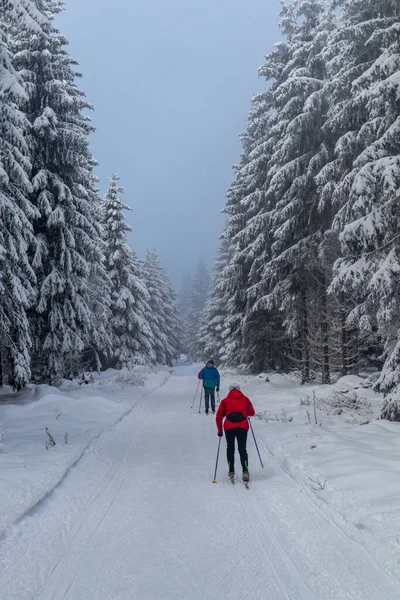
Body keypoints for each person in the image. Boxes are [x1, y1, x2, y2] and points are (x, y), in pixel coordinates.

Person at [216, 383, 255, 482]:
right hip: (242, 426)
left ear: (230, 390)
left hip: (229, 427)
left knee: (230, 449)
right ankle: (245, 471)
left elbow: (219, 416)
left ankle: (231, 471)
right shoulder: (245, 399)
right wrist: (245, 413)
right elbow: (252, 412)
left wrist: (220, 430)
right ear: (239, 389)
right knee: (242, 449)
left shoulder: (225, 401)